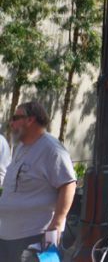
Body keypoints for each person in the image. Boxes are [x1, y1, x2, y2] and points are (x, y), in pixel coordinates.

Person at [0, 101, 77, 261]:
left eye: (15, 118)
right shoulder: (21, 148)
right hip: (9, 236)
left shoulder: (51, 149)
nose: (11, 123)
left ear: (30, 120)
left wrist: (56, 224)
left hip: (35, 237)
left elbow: (68, 184)